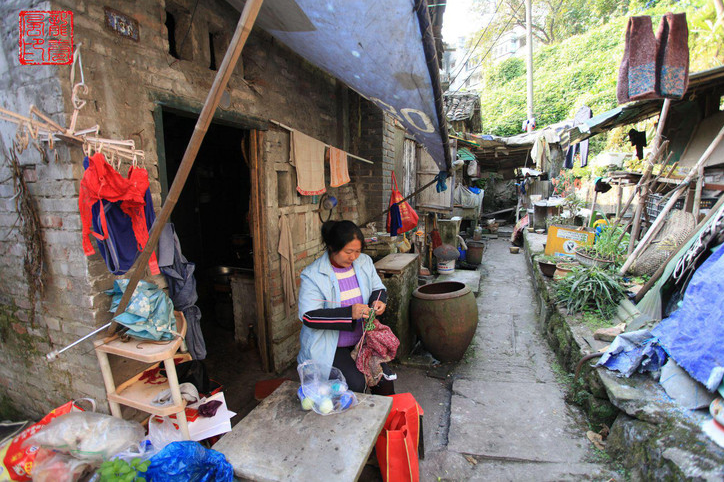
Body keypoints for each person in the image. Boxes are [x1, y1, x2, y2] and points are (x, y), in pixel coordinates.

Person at [297, 220, 395, 395]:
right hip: (331, 346)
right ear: (332, 248)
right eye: (348, 252)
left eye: (357, 251)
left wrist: (378, 301)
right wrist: (349, 313)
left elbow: (378, 288)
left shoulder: (364, 262)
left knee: (385, 379)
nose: (353, 257)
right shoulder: (313, 275)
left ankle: (385, 421)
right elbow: (309, 316)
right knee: (354, 385)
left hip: (362, 341)